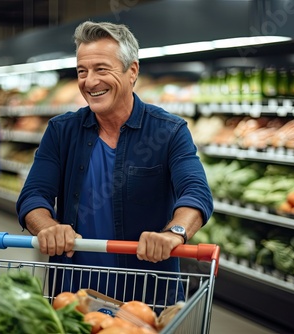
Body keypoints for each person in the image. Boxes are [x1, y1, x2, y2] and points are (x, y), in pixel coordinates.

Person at [16, 21, 213, 305]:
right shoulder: (61, 132)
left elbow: (196, 192)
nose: (90, 81)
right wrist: (47, 227)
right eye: (82, 71)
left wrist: (175, 232)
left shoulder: (168, 131)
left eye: (101, 69)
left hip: (146, 296)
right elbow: (33, 196)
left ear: (132, 71)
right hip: (75, 296)